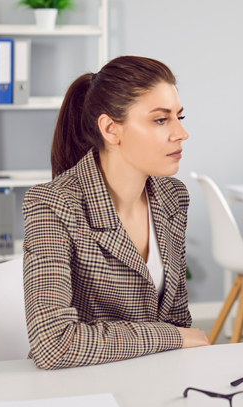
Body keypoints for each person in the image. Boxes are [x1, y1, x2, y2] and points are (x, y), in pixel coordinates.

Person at [23, 56, 209, 370]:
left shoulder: (173, 197)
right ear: (111, 129)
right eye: (161, 120)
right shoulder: (52, 204)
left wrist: (176, 341)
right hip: (82, 389)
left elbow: (177, 319)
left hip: (156, 377)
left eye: (180, 116)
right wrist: (171, 338)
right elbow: (53, 344)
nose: (181, 133)